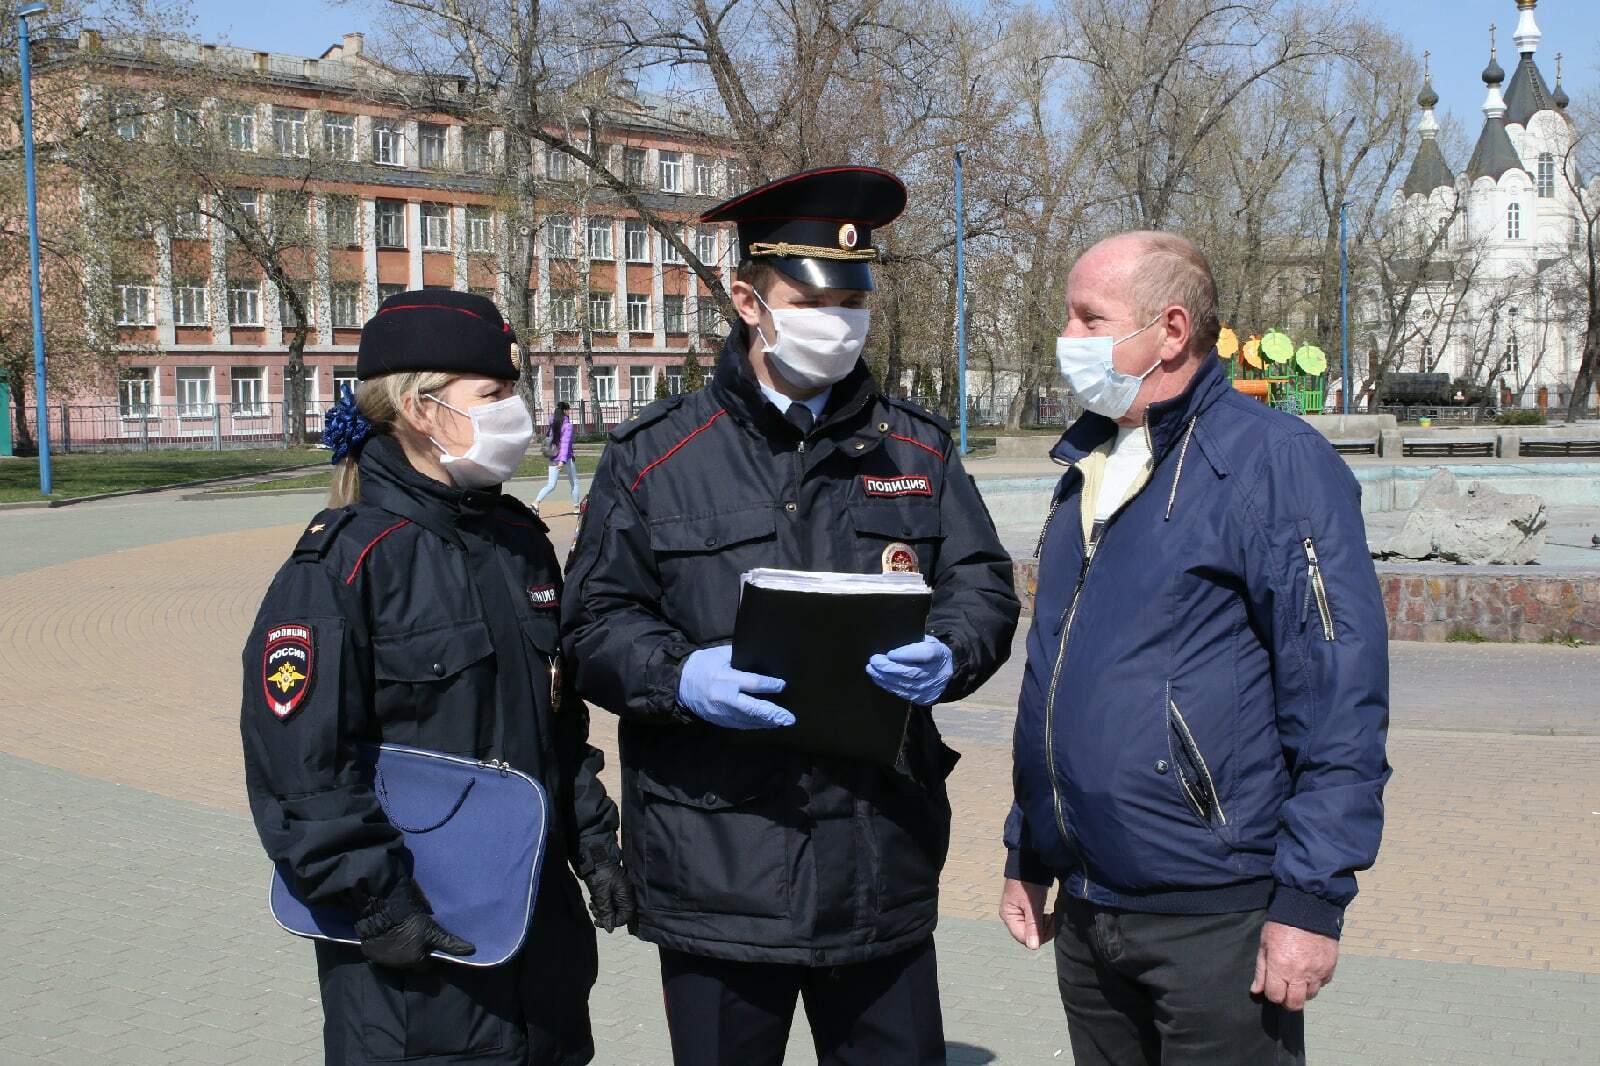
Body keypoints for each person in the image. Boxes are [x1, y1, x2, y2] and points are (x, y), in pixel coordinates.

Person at [561, 167, 1020, 1066]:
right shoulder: (658, 458)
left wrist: (952, 649)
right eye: (815, 301)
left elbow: (983, 585)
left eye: (856, 301)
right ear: (747, 300)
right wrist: (679, 676)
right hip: (718, 863)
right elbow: (592, 627)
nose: (840, 322)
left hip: (875, 858)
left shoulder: (917, 447)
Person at [1000, 232, 1390, 1065]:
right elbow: (1057, 677)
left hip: (1218, 915)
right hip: (1090, 905)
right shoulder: (1089, 461)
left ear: (1170, 331)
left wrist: (1311, 902)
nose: (1066, 337)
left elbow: (1338, 701)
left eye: (1088, 317)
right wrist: (1028, 847)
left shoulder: (1273, 464)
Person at [240, 289, 632, 1066]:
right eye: (493, 395)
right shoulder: (347, 561)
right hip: (415, 959)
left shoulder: (517, 539)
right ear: (423, 410)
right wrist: (378, 903)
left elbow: (555, 724)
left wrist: (595, 845)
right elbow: (299, 764)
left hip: (534, 940)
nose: (514, 412)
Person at [535, 401, 579, 513]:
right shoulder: (567, 426)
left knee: (551, 485)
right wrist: (562, 461)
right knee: (574, 483)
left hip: (553, 457)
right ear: (565, 411)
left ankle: (535, 503)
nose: (570, 411)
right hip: (566, 458)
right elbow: (565, 444)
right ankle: (576, 507)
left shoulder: (553, 423)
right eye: (569, 409)